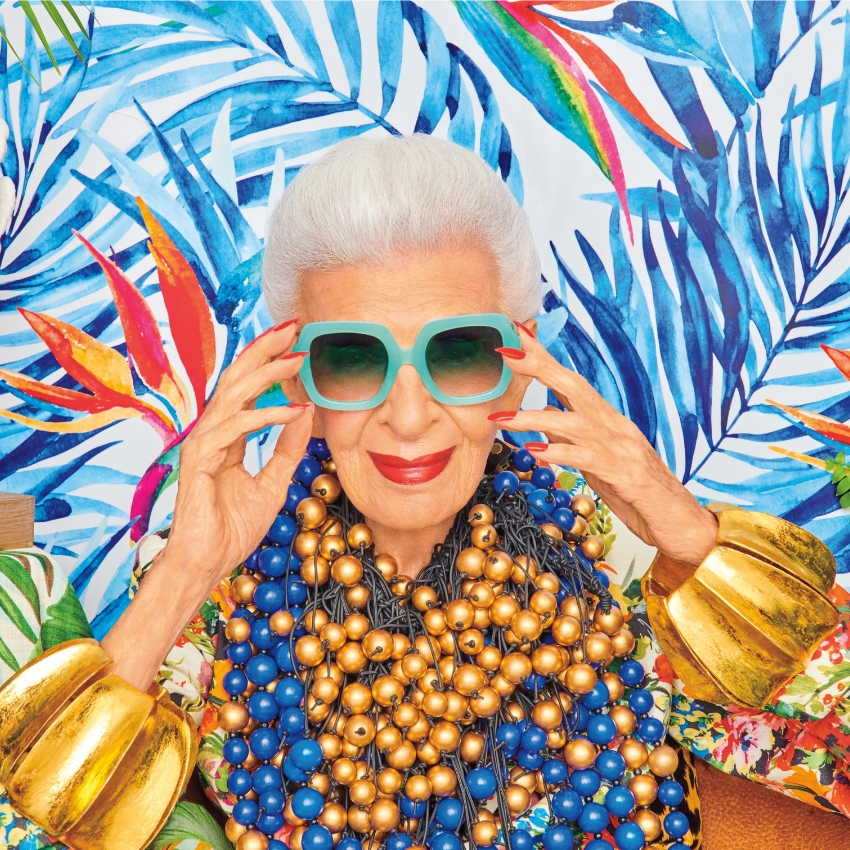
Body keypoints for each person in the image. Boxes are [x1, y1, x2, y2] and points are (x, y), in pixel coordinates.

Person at [1, 134, 848, 850]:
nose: (408, 417)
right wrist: (184, 574)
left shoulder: (617, 553)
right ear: (297, 377)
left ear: (514, 371)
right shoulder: (212, 574)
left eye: (457, 354)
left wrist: (688, 531)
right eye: (353, 358)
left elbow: (829, 764)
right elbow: (29, 828)